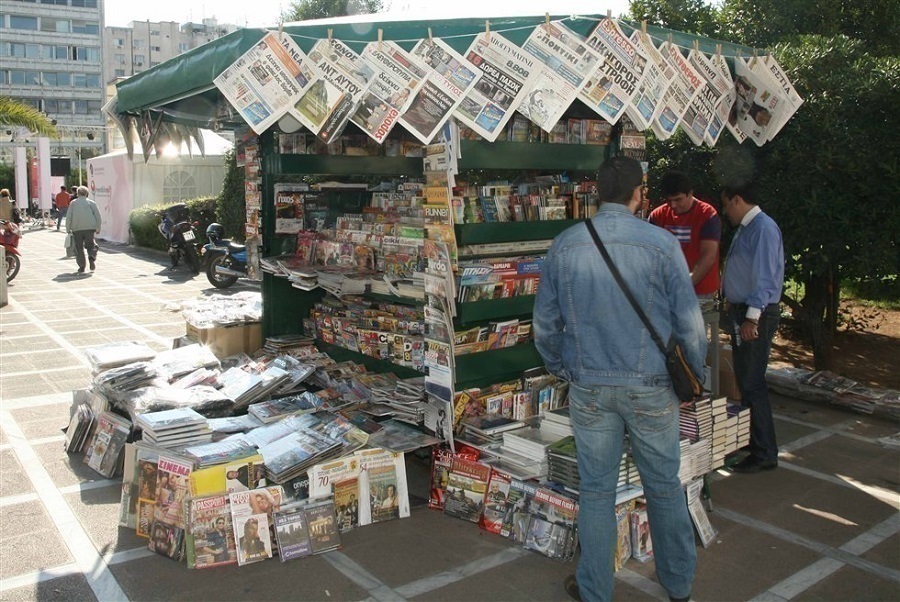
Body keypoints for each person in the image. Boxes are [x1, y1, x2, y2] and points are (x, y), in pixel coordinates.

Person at [533, 155, 705, 602]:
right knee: (664, 487)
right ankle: (679, 586)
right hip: (650, 385)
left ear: (597, 194)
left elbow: (545, 327)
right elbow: (690, 325)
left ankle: (594, 590)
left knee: (595, 491)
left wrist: (561, 367)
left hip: (589, 386)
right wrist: (695, 379)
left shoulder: (565, 245)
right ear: (638, 193)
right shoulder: (661, 244)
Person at [720, 181, 784, 474]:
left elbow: (765, 278)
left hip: (755, 313)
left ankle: (764, 451)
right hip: (743, 310)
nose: (724, 211)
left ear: (737, 200)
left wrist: (752, 318)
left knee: (752, 382)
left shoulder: (763, 229)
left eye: (725, 204)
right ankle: (753, 441)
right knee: (746, 381)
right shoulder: (747, 228)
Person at [649, 171, 722, 299]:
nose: (673, 205)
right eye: (669, 200)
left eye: (678, 199)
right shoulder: (657, 215)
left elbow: (708, 256)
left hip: (699, 292)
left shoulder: (707, 215)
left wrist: (685, 284)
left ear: (690, 194)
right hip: (666, 291)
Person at [65, 186, 101, 273]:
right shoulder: (91, 203)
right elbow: (98, 216)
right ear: (87, 194)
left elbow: (69, 216)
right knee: (91, 245)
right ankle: (91, 256)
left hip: (76, 228)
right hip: (90, 228)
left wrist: (68, 228)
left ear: (77, 194)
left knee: (79, 248)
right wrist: (98, 227)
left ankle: (82, 266)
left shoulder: (73, 203)